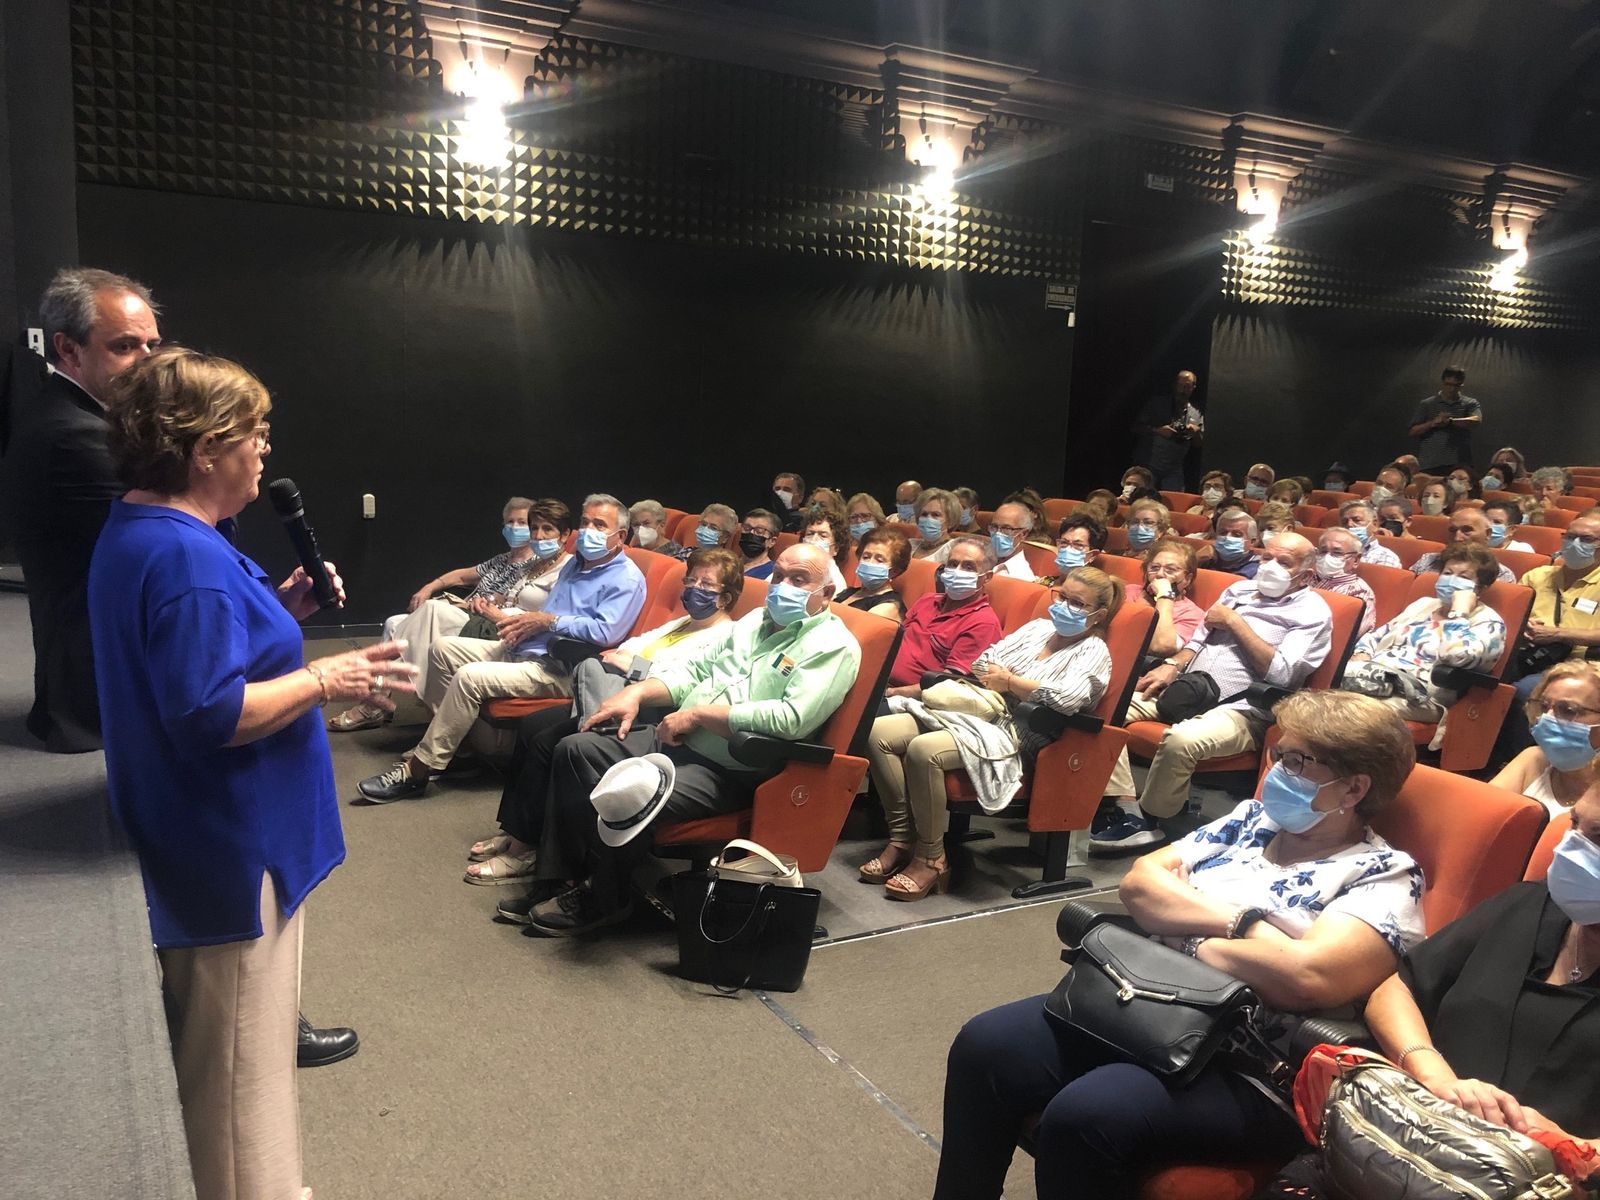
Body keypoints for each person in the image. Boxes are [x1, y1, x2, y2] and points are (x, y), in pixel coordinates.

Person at [89, 347, 414, 1200]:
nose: (266, 450)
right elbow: (207, 713)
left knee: (229, 1065)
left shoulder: (147, 528)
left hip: (201, 833)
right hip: (232, 848)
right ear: (206, 450)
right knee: (240, 1088)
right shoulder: (191, 559)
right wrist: (323, 676)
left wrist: (280, 609)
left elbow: (193, 652)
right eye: (256, 434)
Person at [936, 692, 1425, 1200]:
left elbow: (1306, 976)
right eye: (1278, 753)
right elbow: (1141, 883)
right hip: (1141, 1001)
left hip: (1249, 1060)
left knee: (1088, 1113)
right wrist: (1245, 927)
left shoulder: (1383, 874)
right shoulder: (1252, 820)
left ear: (1353, 788)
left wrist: (1181, 928)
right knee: (986, 1043)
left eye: (1297, 761)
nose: (1276, 769)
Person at [512, 543, 861, 937]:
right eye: (778, 576)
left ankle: (606, 898)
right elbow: (693, 672)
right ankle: (560, 879)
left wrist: (698, 715)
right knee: (577, 748)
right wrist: (638, 694)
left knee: (633, 787)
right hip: (678, 741)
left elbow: (791, 719)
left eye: (799, 580)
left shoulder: (833, 646)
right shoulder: (754, 621)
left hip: (733, 768)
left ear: (827, 593)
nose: (782, 586)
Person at [464, 549, 744, 885]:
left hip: (651, 714)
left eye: (706, 583)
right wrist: (629, 661)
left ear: (725, 597)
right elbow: (629, 646)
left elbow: (683, 679)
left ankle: (527, 852)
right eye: (691, 579)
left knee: (559, 743)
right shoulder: (682, 623)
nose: (694, 587)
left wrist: (634, 666)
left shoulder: (727, 634)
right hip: (618, 695)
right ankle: (519, 834)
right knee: (534, 727)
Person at [1361, 783, 1600, 1159]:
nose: (1569, 848)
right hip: (1408, 1138)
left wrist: (1574, 1149)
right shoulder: (1529, 903)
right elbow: (1395, 990)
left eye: (1598, 837)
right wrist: (1436, 1077)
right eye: (1575, 824)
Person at [355, 495, 647, 802]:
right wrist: (525, 624)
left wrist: (548, 621)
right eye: (585, 522)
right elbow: (545, 615)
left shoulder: (626, 578)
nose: (589, 530)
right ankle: (460, 751)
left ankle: (417, 771)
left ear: (621, 536)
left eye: (600, 525)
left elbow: (606, 631)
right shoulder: (576, 563)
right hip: (528, 647)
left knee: (469, 677)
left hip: (561, 668)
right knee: (443, 649)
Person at [861, 567, 1120, 901]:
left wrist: (1011, 682)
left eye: (1076, 603)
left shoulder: (1094, 652)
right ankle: (902, 838)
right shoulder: (1038, 628)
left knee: (925, 750)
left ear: (1097, 615)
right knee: (877, 732)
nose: (1063, 606)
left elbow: (1068, 698)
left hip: (1018, 734)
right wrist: (1018, 684)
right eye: (1062, 596)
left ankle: (931, 857)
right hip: (976, 712)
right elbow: (984, 662)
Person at [1093, 532, 1333, 853]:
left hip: (1245, 709)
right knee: (1105, 710)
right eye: (1266, 558)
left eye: (1283, 562)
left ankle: (1154, 822)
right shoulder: (1238, 589)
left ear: (1305, 575)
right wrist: (1173, 666)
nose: (1270, 567)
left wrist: (1235, 621)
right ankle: (1125, 806)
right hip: (1189, 689)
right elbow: (1196, 641)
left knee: (1181, 740)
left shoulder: (1313, 612)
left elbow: (1282, 672)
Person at [4, 267, 161, 751]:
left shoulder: (82, 416)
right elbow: (169, 541)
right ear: (68, 349)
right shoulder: (75, 434)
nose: (147, 362)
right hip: (100, 697)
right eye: (125, 346)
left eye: (152, 346)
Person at [328, 497, 573, 733]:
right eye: (512, 523)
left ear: (563, 534)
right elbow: (464, 576)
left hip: (486, 621)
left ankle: (428, 708)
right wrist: (430, 586)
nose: (521, 530)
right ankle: (377, 703)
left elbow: (532, 611)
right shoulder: (509, 561)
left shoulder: (542, 563)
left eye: (522, 523)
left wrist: (490, 606)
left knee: (432, 610)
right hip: (476, 612)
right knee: (395, 623)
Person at [1346, 543, 1506, 737]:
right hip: (1371, 678)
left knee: (1352, 711)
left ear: (1480, 588)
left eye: (1463, 577)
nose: (1451, 581)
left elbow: (1455, 656)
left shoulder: (1489, 622)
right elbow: (1378, 635)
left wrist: (1459, 613)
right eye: (1447, 573)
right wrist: (1362, 653)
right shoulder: (1423, 605)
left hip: (1422, 696)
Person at [1504, 509, 1600, 725]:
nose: (1575, 543)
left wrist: (1558, 634)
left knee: (1526, 692)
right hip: (1526, 652)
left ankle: (1517, 755)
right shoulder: (1538, 575)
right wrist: (1523, 624)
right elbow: (1511, 613)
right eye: (1570, 536)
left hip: (1581, 663)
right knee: (1476, 679)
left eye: (1586, 539)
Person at [884, 535, 1004, 689]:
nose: (957, 571)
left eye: (968, 567)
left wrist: (891, 693)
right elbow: (895, 642)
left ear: (987, 577)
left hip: (911, 698)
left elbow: (948, 682)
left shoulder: (983, 622)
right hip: (879, 679)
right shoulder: (927, 600)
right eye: (953, 564)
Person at [1491, 663, 1600, 817]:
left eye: (1568, 710)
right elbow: (1480, 818)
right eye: (1544, 707)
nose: (1546, 719)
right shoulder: (1535, 759)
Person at [1131, 369, 1203, 490]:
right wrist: (1157, 431)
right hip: (1149, 464)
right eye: (1180, 385)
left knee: (1173, 500)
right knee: (1141, 497)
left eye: (1187, 386)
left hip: (1174, 469)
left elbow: (1199, 444)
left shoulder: (1196, 412)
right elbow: (1136, 427)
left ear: (1193, 387)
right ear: (1175, 385)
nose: (1183, 390)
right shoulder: (1157, 404)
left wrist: (1195, 432)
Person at [1135, 539, 1206, 658]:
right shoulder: (1128, 591)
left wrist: (1165, 596)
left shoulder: (1193, 615)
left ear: (1187, 579)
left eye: (1170, 570)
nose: (1160, 574)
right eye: (1154, 567)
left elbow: (1161, 646)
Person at [1409, 508, 1518, 582]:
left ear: (1488, 534)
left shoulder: (1501, 575)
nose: (1457, 538)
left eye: (1467, 530)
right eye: (1453, 530)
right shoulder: (1428, 561)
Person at [1410, 365, 1482, 472]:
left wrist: (1450, 421)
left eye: (1456, 385)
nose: (1452, 389)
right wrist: (1433, 423)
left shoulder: (1469, 403)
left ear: (1462, 385)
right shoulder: (1427, 404)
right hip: (1430, 463)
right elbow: (1413, 431)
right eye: (1448, 384)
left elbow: (1476, 420)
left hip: (1460, 463)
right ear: (1442, 382)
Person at [1311, 528, 1378, 637]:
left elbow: (1346, 637)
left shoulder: (1359, 592)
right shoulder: (1304, 579)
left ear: (1356, 560)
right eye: (1323, 551)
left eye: (1337, 553)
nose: (1327, 557)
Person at [836, 526, 910, 621]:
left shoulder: (889, 606)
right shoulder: (849, 592)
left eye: (879, 560)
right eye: (866, 557)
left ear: (894, 571)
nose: (870, 563)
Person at [1038, 513, 1105, 586]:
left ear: (1092, 555)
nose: (1067, 549)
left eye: (1078, 545)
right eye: (1064, 542)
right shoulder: (1044, 582)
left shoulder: (1094, 592)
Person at [987, 498, 1043, 580]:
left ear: (1023, 534)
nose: (998, 534)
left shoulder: (1022, 577)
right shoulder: (980, 558)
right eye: (994, 527)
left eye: (1006, 528)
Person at [1337, 499, 1403, 567]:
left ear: (1374, 524)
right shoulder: (1332, 551)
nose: (1349, 524)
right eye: (1344, 522)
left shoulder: (1385, 556)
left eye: (1357, 520)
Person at [1200, 506, 1261, 578]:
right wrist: (1195, 559)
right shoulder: (1206, 559)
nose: (1227, 537)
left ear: (1252, 542)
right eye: (1223, 533)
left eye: (1237, 535)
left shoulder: (1258, 568)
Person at [800, 509, 850, 592]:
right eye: (810, 534)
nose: (814, 539)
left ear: (836, 548)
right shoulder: (790, 564)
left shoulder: (835, 583)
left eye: (823, 536)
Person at [912, 487, 963, 561]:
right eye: (924, 514)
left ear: (951, 522)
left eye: (936, 515)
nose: (928, 519)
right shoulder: (909, 545)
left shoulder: (954, 551)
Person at [737, 507, 782, 579]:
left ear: (772, 541)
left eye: (759, 531)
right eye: (746, 528)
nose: (751, 533)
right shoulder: (728, 564)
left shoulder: (772, 575)